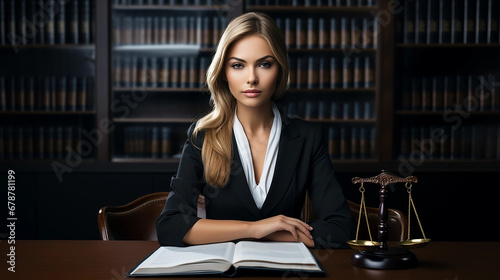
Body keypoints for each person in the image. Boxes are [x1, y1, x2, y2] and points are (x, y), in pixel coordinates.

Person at [156, 12, 354, 249]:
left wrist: (268, 235)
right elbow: (170, 226)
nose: (252, 78)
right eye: (238, 65)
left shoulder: (308, 138)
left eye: (264, 64)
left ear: (279, 69)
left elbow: (340, 229)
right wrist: (256, 229)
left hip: (285, 269)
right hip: (224, 269)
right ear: (224, 73)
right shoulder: (203, 137)